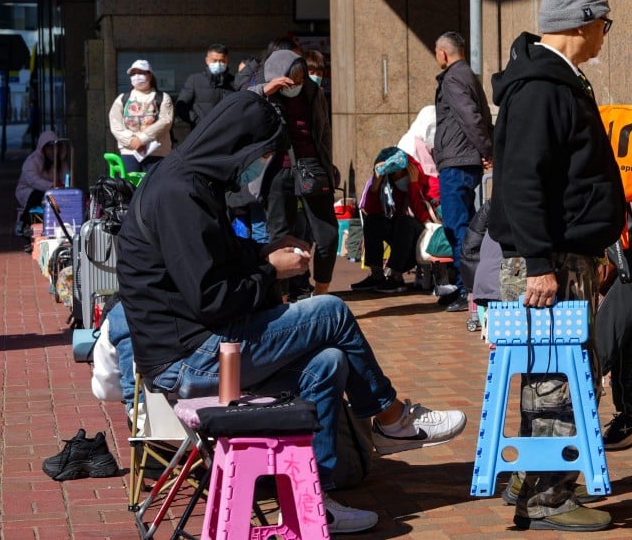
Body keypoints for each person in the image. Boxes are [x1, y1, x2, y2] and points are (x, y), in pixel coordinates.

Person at [116, 91, 466, 534]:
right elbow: (211, 296)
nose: (259, 168)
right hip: (188, 357)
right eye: (262, 156)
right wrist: (269, 269)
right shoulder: (178, 193)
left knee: (328, 363)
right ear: (239, 145)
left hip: (205, 343)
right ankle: (390, 418)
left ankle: (312, 499)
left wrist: (263, 252)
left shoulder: (195, 184)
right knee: (331, 312)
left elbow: (213, 262)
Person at [488, 0, 626, 532]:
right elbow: (522, 182)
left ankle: (534, 478)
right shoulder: (543, 88)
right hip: (545, 260)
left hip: (563, 256)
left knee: (558, 372)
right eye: (604, 23)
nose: (604, 35)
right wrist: (543, 264)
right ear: (584, 23)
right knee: (558, 379)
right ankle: (548, 495)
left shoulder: (553, 80)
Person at [251, 49, 340, 298]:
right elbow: (240, 106)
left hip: (311, 168)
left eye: (302, 79)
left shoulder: (313, 92)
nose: (298, 85)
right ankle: (281, 299)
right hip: (277, 171)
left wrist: (327, 164)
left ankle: (321, 292)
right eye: (292, 80)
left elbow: (324, 131)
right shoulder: (264, 94)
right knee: (281, 237)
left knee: (328, 235)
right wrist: (266, 91)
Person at [433, 31, 494, 312]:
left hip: (457, 163)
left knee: (457, 228)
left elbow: (471, 116)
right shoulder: (468, 75)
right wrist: (485, 149)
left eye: (436, 52)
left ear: (444, 53)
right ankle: (467, 287)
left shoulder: (453, 78)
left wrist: (486, 149)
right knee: (466, 227)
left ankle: (465, 289)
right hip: (463, 160)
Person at [350, 147, 434, 293]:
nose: (397, 177)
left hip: (424, 236)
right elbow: (371, 210)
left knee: (405, 222)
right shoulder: (388, 187)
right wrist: (376, 183)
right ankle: (376, 275)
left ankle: (396, 277)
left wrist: (413, 185)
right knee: (373, 221)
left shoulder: (425, 181)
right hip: (401, 238)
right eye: (393, 174)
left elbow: (422, 215)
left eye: (400, 173)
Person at [108, 59, 174, 174]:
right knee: (131, 188)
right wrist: (131, 140)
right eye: (133, 74)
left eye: (141, 73)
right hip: (129, 152)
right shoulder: (122, 99)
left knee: (154, 189)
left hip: (157, 153)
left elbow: (165, 122)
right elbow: (115, 124)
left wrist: (142, 139)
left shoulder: (163, 98)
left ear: (150, 75)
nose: (137, 76)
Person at [14, 130, 68, 246]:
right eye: (49, 148)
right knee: (36, 196)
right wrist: (51, 186)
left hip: (52, 191)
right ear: (42, 148)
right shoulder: (32, 161)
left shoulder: (60, 162)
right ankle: (23, 223)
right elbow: (32, 180)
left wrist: (65, 187)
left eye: (56, 147)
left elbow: (66, 177)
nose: (53, 151)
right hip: (28, 190)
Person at [175, 43, 235, 130]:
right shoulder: (195, 80)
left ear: (227, 61)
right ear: (207, 60)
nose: (218, 64)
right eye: (214, 61)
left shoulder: (233, 82)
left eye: (222, 61)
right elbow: (181, 106)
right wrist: (197, 121)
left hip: (227, 132)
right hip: (201, 133)